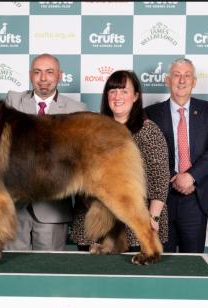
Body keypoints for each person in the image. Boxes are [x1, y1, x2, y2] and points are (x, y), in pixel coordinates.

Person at [72, 70, 169, 252]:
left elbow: (160, 179)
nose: (117, 97)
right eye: (113, 91)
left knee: (134, 279)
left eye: (124, 91)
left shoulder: (148, 131)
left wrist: (153, 218)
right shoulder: (92, 130)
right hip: (94, 223)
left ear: (135, 97)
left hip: (134, 225)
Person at [4, 54, 88, 251]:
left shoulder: (77, 110)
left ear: (60, 76)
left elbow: (79, 159)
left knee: (48, 271)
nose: (43, 78)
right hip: (13, 207)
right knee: (12, 270)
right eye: (38, 72)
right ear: (30, 75)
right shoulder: (13, 101)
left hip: (53, 208)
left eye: (49, 72)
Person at [145, 58, 208, 253]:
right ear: (167, 80)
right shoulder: (150, 113)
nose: (182, 80)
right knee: (163, 260)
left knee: (193, 261)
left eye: (187, 75)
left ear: (194, 81)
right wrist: (175, 177)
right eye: (177, 75)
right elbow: (147, 153)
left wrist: (190, 177)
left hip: (196, 197)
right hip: (161, 198)